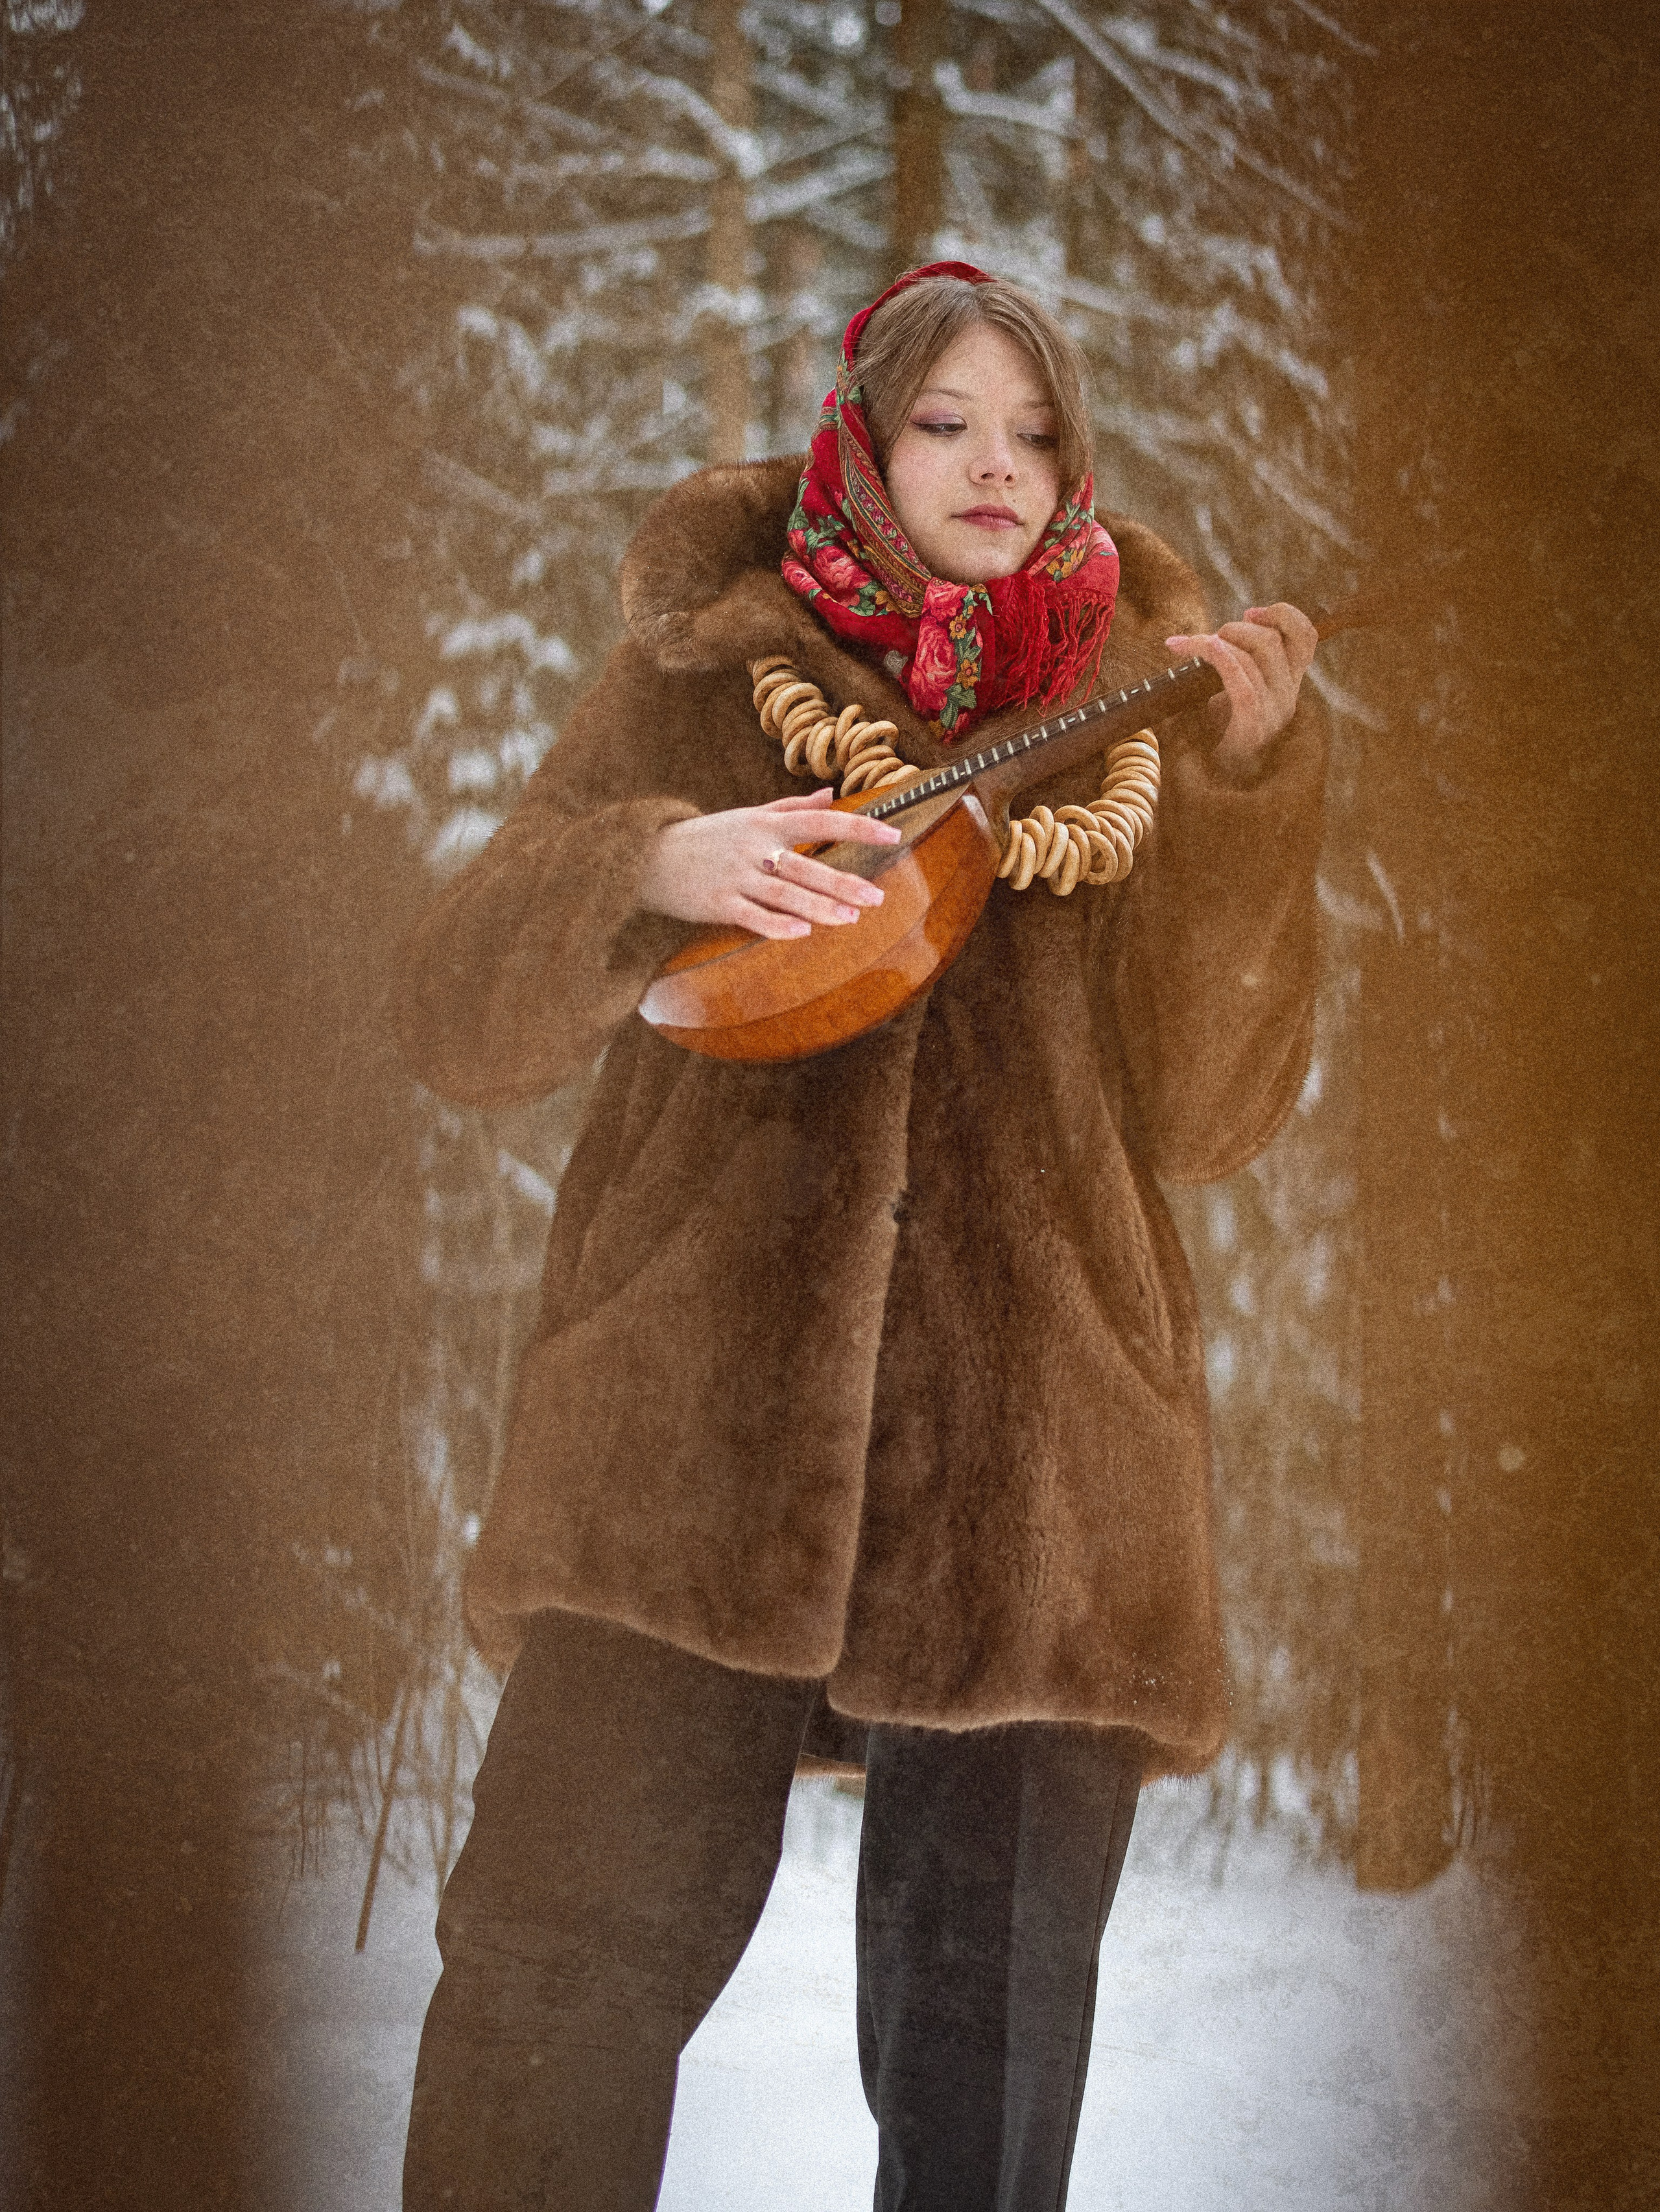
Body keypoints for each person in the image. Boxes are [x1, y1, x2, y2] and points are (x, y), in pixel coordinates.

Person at [396, 262, 1322, 2211]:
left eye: (1038, 431)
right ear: (863, 440)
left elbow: (1224, 1105)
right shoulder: (704, 671)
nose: (997, 464)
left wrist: (1242, 801)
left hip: (1042, 1482)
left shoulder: (1137, 717)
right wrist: (652, 863)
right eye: (947, 422)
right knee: (549, 1986)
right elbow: (453, 1009)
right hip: (684, 1445)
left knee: (985, 2071)